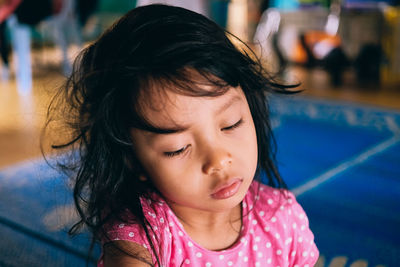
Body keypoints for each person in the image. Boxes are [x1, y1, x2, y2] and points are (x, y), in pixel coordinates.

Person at [45, 4, 319, 266]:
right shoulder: (143, 234)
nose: (218, 160)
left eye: (231, 124)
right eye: (177, 148)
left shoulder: (282, 217)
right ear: (133, 158)